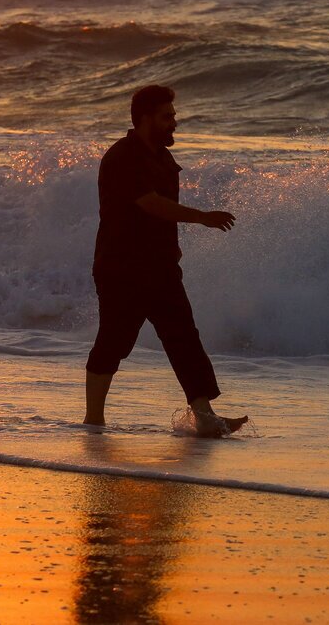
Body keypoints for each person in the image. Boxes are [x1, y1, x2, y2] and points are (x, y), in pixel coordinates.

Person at [84, 85, 248, 436]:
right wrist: (202, 217)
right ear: (146, 119)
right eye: (167, 116)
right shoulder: (123, 157)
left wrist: (172, 247)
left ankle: (204, 416)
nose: (175, 122)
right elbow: (151, 203)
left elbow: (161, 216)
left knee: (184, 336)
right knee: (114, 341)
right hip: (121, 267)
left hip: (159, 267)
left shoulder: (163, 158)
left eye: (173, 115)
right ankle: (93, 419)